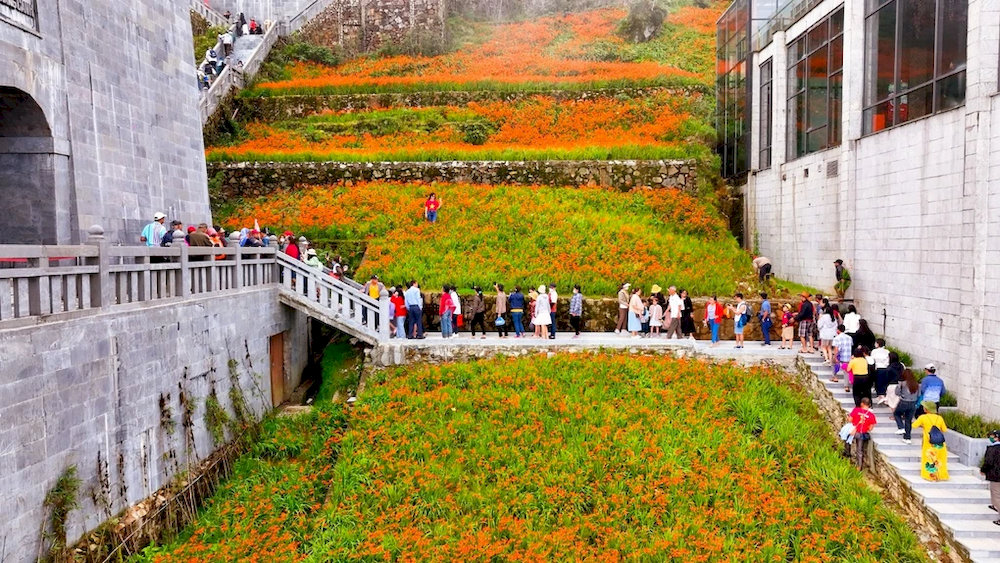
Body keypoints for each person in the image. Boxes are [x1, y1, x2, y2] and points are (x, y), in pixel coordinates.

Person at [913, 402, 949, 481]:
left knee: (928, 459)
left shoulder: (923, 417)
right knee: (940, 459)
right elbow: (944, 429)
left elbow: (914, 425)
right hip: (939, 442)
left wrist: (923, 425)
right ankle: (941, 476)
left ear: (926, 409)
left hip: (928, 442)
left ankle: (930, 476)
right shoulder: (939, 418)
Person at [893, 369, 920, 444]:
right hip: (913, 403)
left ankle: (901, 427)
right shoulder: (916, 384)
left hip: (904, 402)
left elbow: (897, 393)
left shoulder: (902, 383)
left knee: (896, 414)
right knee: (908, 420)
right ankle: (907, 438)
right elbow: (919, 395)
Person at [849, 397, 877, 469]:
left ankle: (848, 456)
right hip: (863, 434)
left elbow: (850, 419)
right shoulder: (871, 415)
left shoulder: (856, 410)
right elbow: (870, 428)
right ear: (869, 405)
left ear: (862, 404)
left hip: (855, 432)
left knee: (847, 441)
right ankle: (860, 465)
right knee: (860, 450)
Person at [980, 430, 1000, 525]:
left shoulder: (993, 449)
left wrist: (983, 470)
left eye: (993, 436)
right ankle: (995, 506)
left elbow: (988, 462)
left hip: (996, 476)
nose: (991, 438)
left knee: (996, 495)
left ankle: (997, 507)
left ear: (996, 437)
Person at [871, 338, 892, 404]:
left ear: (877, 344)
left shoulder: (874, 351)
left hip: (878, 368)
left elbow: (872, 360)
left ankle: (881, 396)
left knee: (878, 382)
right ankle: (882, 395)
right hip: (886, 368)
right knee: (884, 382)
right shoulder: (887, 351)